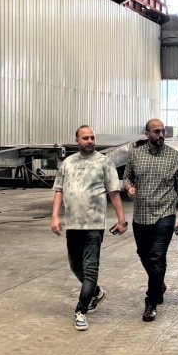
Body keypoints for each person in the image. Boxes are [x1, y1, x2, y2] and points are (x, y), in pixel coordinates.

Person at [50, 125, 127, 331]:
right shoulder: (68, 163)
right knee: (76, 266)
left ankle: (81, 310)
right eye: (85, 138)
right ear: (77, 140)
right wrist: (55, 216)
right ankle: (96, 292)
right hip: (73, 225)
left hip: (94, 225)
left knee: (91, 269)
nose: (90, 141)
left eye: (92, 137)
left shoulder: (104, 163)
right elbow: (59, 190)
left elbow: (114, 192)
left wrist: (122, 219)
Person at [123, 119, 178, 322]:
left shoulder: (175, 156)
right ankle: (158, 283)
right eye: (156, 132)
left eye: (163, 132)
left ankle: (151, 302)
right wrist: (129, 187)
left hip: (165, 214)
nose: (161, 135)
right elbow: (127, 177)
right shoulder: (135, 154)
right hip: (141, 214)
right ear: (147, 134)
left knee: (157, 257)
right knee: (143, 253)